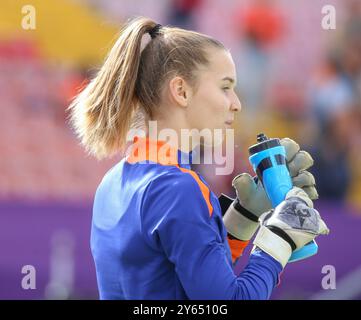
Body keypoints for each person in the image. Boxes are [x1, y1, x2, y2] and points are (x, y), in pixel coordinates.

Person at [68, 17, 329, 300]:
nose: (236, 103)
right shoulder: (179, 188)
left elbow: (181, 280)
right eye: (225, 87)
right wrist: (280, 237)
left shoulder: (113, 180)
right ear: (181, 91)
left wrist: (246, 217)